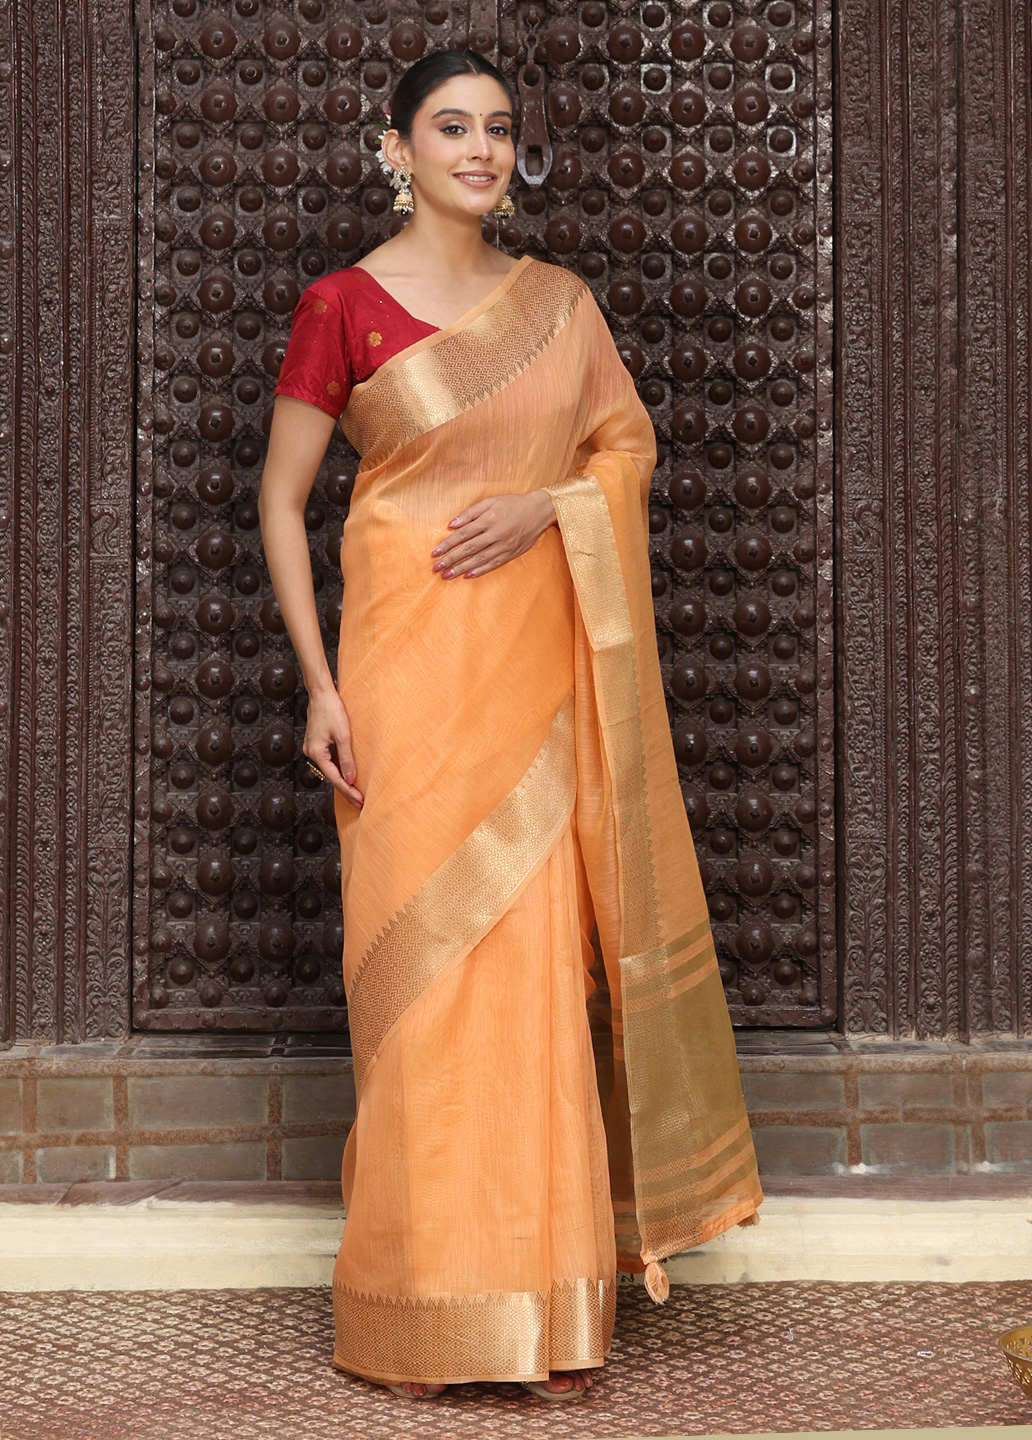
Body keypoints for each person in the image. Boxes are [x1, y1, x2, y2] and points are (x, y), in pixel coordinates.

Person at [258, 46, 763, 1403]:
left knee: (534, 981)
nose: (478, 149)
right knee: (420, 985)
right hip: (403, 681)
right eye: (450, 126)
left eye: (495, 128)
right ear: (398, 148)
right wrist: (320, 687)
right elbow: (282, 501)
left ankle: (542, 1316)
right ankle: (422, 1312)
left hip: (534, 677)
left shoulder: (560, 306)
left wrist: (552, 508)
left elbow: (624, 448)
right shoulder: (342, 305)